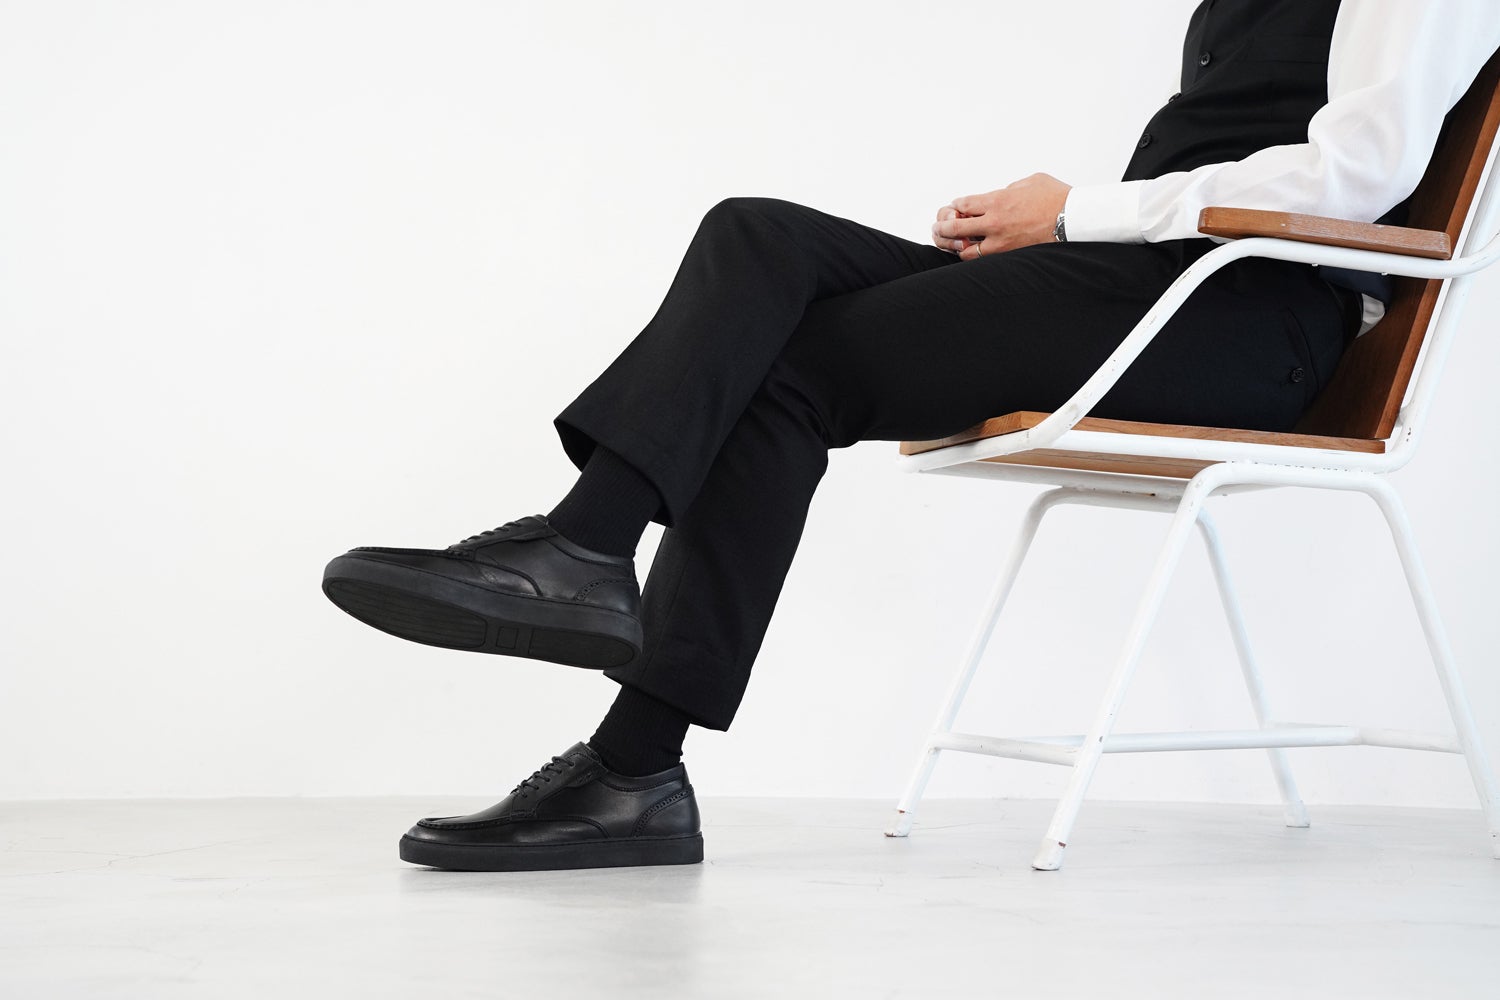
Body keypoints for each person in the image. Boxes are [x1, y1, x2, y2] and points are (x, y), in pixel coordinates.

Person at [322, 0, 1500, 872]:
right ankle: (587, 564)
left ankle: (623, 733)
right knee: (757, 243)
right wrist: (1064, 232)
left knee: (784, 364)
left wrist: (1075, 212)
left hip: (1252, 323)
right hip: (1149, 284)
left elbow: (1362, 172)